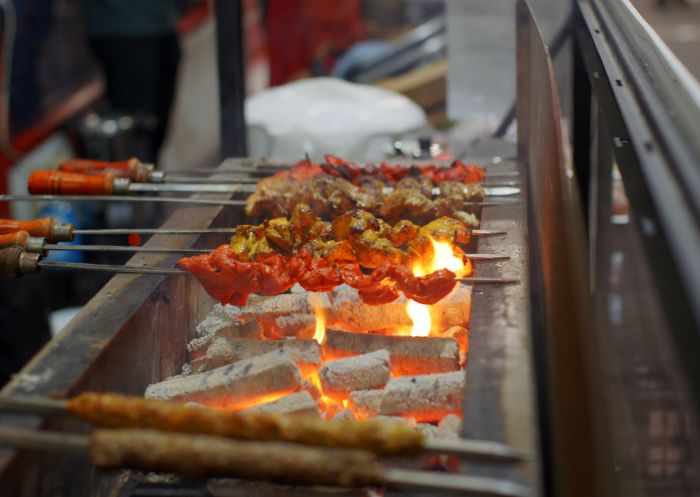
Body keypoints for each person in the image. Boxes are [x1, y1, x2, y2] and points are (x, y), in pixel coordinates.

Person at [80, 0, 180, 162]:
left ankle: (148, 178)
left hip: (163, 23)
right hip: (121, 28)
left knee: (155, 127)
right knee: (134, 138)